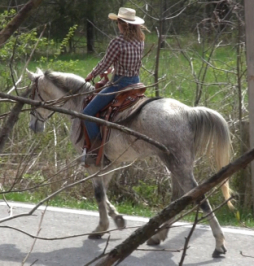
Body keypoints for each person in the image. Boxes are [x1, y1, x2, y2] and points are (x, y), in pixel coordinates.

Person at [82, 7, 148, 164]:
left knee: (87, 113)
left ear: (122, 24)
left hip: (120, 84)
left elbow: (105, 62)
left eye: (118, 22)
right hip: (136, 83)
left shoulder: (117, 42)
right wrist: (115, 68)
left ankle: (97, 150)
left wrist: (91, 74)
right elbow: (131, 62)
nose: (117, 25)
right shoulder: (140, 40)